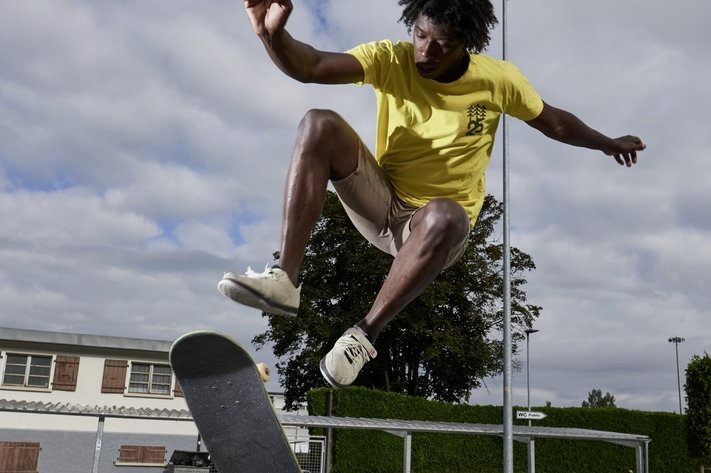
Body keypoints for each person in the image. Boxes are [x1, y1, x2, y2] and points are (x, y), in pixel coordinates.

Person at [218, 0, 646, 389]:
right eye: (421, 36)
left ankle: (363, 336)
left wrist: (608, 143)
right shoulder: (391, 59)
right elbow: (309, 65)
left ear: (466, 44)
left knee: (446, 215)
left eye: (442, 45)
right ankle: (284, 280)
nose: (426, 52)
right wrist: (270, 34)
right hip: (382, 201)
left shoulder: (498, 80)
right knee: (318, 123)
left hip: (437, 230)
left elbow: (554, 122)